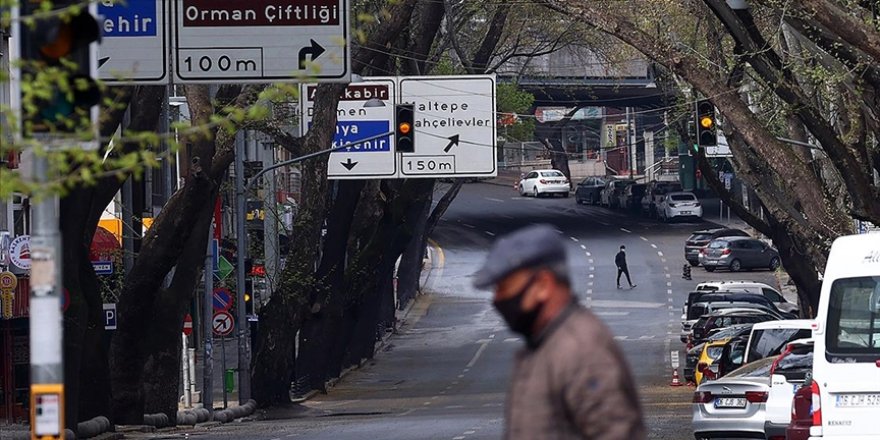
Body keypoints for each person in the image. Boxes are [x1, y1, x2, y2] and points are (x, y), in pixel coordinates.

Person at [473, 224, 646, 440]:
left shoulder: (581, 351)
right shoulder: (542, 346)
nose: (497, 300)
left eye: (505, 288)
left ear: (543, 285)